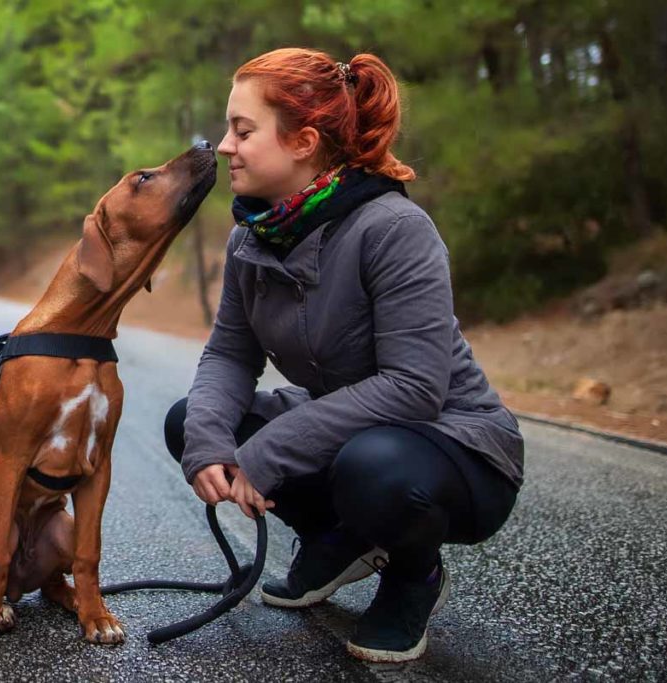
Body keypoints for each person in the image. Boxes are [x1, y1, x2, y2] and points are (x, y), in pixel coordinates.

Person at [163, 48, 524, 663]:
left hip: (454, 447)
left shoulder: (393, 229)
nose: (225, 146)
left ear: (303, 141)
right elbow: (229, 353)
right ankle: (335, 538)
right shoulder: (252, 234)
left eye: (243, 131)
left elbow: (414, 388)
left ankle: (415, 578)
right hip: (353, 431)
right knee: (191, 419)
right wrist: (208, 443)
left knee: (372, 466)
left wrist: (271, 449)